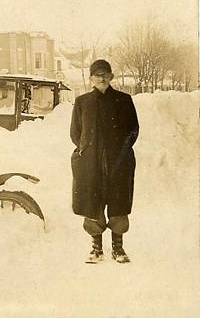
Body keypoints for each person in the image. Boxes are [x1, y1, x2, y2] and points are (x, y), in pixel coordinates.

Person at [70, 59, 139, 264]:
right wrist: (85, 150)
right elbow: (75, 132)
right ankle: (96, 248)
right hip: (91, 163)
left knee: (119, 202)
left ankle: (118, 248)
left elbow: (133, 129)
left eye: (105, 74)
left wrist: (122, 150)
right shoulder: (82, 102)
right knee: (92, 203)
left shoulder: (124, 100)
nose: (101, 78)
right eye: (97, 75)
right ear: (91, 78)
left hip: (118, 162)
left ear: (111, 77)